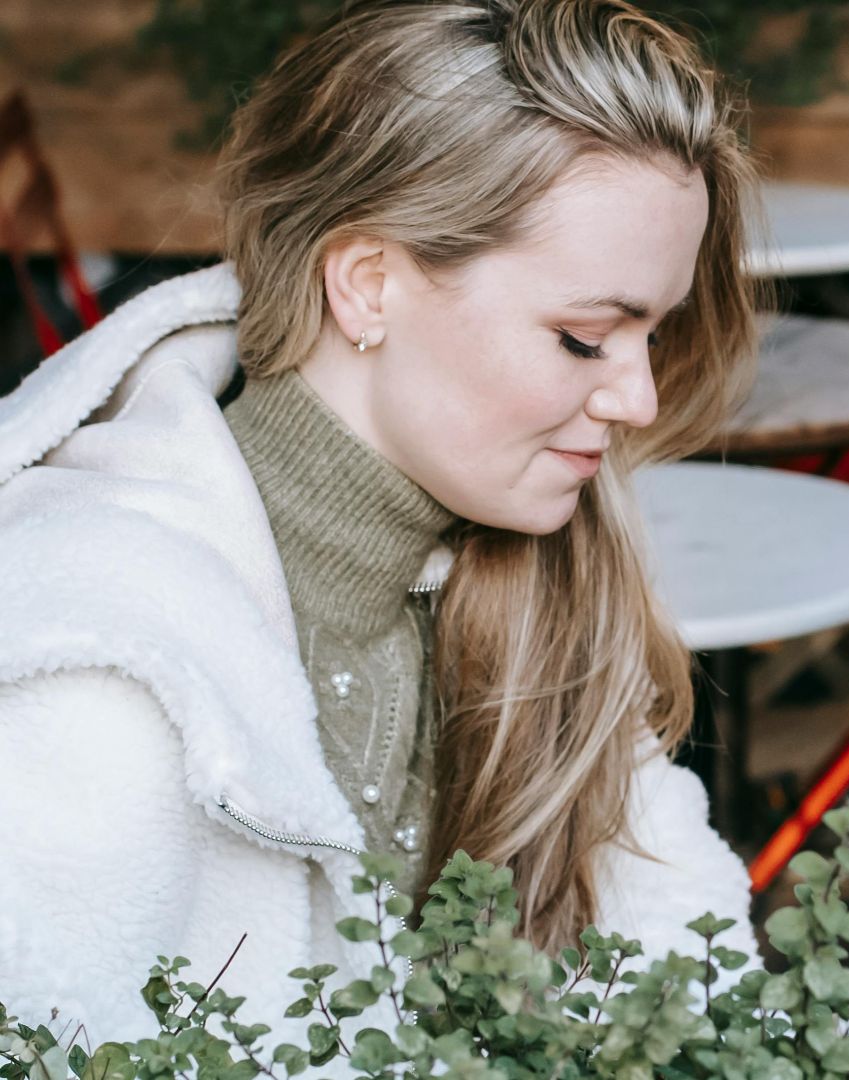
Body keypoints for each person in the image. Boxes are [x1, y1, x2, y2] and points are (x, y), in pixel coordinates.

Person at [0, 0, 762, 1043]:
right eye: (586, 339)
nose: (638, 400)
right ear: (367, 286)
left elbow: (677, 953)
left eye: (653, 335)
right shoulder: (91, 673)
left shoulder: (532, 564)